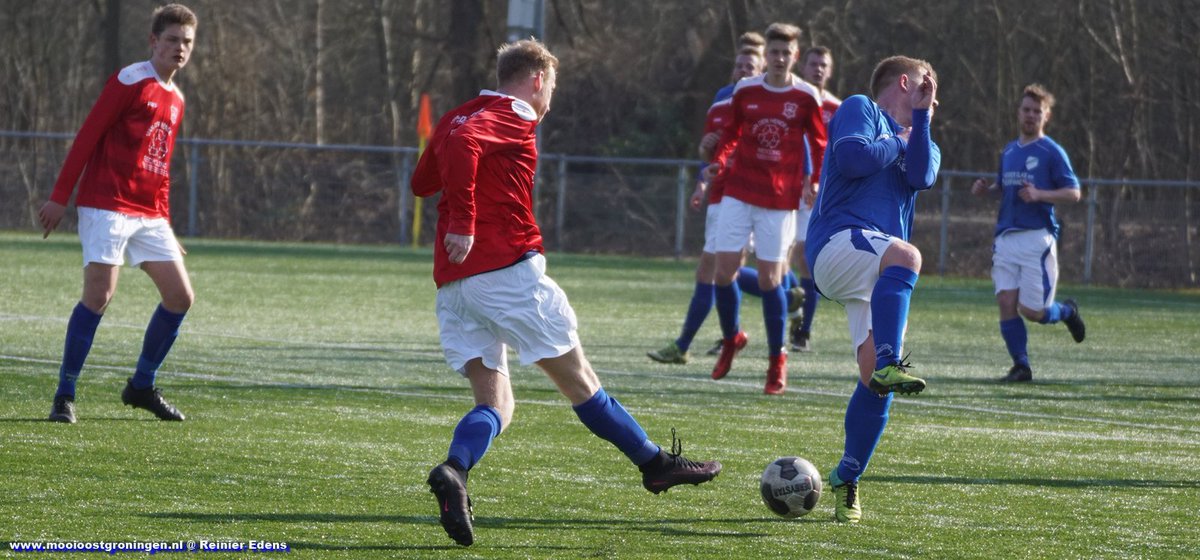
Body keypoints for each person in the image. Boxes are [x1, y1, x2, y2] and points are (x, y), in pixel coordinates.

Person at [411, 39, 721, 548]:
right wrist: (466, 220)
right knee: (582, 383)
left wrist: (463, 191)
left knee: (497, 403)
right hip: (506, 274)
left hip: (454, 286)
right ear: (536, 80)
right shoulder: (513, 111)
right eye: (551, 86)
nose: (550, 98)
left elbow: (423, 182)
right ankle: (655, 465)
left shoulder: (458, 115)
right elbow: (465, 152)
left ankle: (455, 470)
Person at [40, 4, 198, 424]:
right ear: (153, 41)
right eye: (171, 40)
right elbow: (87, 136)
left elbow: (160, 165)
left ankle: (141, 385)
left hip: (148, 213)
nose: (179, 49)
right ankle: (64, 394)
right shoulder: (131, 79)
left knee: (181, 296)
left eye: (186, 42)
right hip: (106, 203)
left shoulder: (176, 99)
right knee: (99, 295)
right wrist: (60, 196)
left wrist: (165, 220)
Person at [805, 55, 940, 522]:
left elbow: (922, 174)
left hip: (869, 266)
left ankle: (847, 476)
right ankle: (890, 361)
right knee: (908, 255)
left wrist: (919, 123)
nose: (931, 93)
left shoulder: (919, 135)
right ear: (905, 81)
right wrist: (898, 138)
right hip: (837, 241)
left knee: (872, 384)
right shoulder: (861, 108)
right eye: (926, 85)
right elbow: (853, 158)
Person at [707, 23, 826, 395]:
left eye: (784, 53)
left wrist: (816, 179)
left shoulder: (806, 97)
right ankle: (732, 338)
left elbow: (820, 143)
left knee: (770, 281)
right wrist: (721, 159)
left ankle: (777, 360)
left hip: (779, 200)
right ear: (766, 56)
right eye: (772, 52)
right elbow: (730, 134)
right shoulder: (746, 91)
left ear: (794, 56)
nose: (777, 59)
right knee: (722, 272)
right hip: (740, 190)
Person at [647, 45, 764, 365]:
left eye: (749, 66)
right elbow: (709, 156)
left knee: (720, 271)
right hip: (719, 196)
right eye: (739, 65)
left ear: (761, 70)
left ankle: (692, 343)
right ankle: (733, 331)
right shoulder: (721, 103)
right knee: (718, 271)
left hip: (744, 199)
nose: (742, 70)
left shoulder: (765, 107)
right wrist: (704, 155)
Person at [971, 84, 1085, 382]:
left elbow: (1073, 193)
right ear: (1018, 112)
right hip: (1005, 238)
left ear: (1046, 116)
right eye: (1026, 110)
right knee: (1006, 303)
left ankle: (1068, 312)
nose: (1031, 115)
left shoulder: (1051, 152)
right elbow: (1004, 188)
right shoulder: (1008, 151)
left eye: (1037, 111)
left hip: (1037, 238)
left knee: (1033, 311)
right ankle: (1021, 366)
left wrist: (1040, 194)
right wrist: (987, 190)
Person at [789, 46, 842, 353]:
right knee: (781, 262)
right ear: (804, 67)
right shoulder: (792, 99)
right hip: (783, 187)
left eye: (824, 64)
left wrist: (823, 182)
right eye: (813, 63)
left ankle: (803, 331)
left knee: (807, 261)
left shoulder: (837, 108)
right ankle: (791, 306)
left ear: (830, 70)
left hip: (817, 193)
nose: (818, 69)